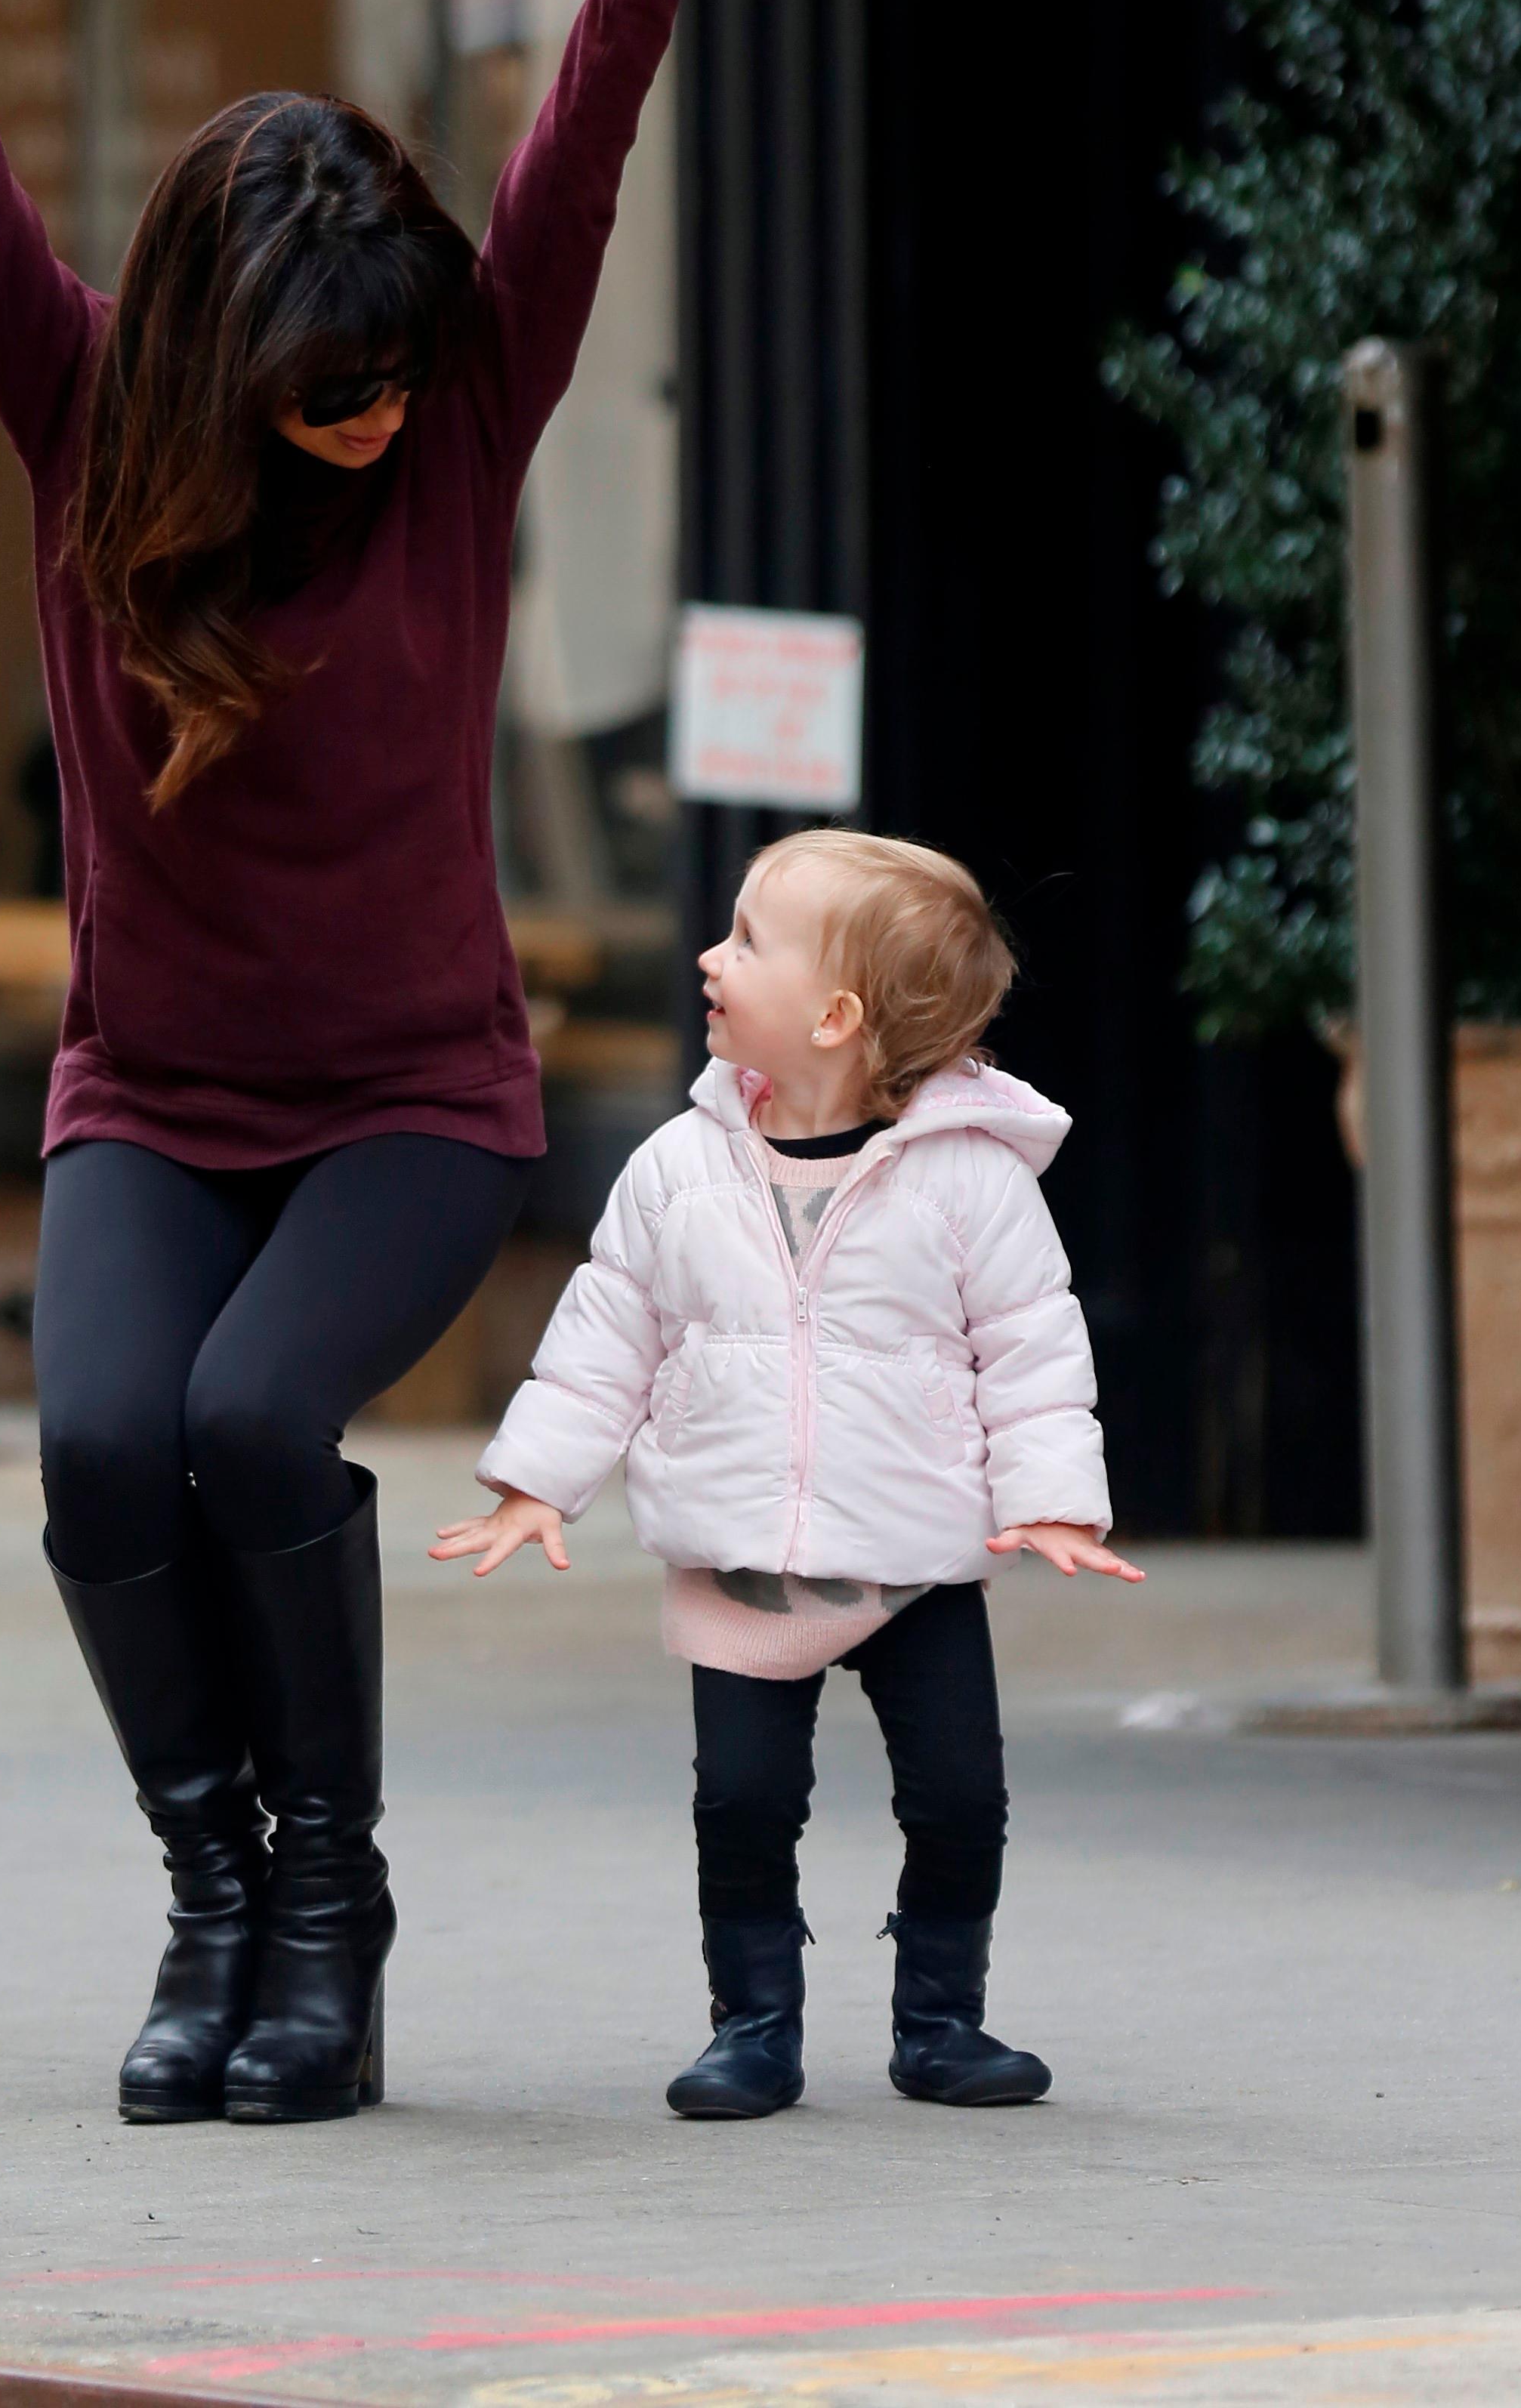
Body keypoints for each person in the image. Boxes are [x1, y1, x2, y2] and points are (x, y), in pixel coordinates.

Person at [0, 0, 795, 2127]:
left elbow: (583, 128)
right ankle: (210, 1891)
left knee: (250, 1416)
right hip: (152, 1086)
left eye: (389, 383)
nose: (364, 423)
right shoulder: (82, 401)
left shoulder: (452, 417)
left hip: (406, 1100)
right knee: (104, 1440)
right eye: (320, 391)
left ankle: (326, 1910)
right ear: (222, 362)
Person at [433, 830, 1143, 2118]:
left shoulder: (970, 1184)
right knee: (745, 1805)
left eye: (748, 940)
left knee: (959, 1799)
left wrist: (1049, 1497)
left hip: (913, 1558)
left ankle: (941, 2022)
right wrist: (537, 1482)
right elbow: (605, 1340)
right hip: (743, 1560)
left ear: (834, 1015)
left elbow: (1034, 1345)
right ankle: (750, 2027)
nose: (710, 956)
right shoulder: (676, 1169)